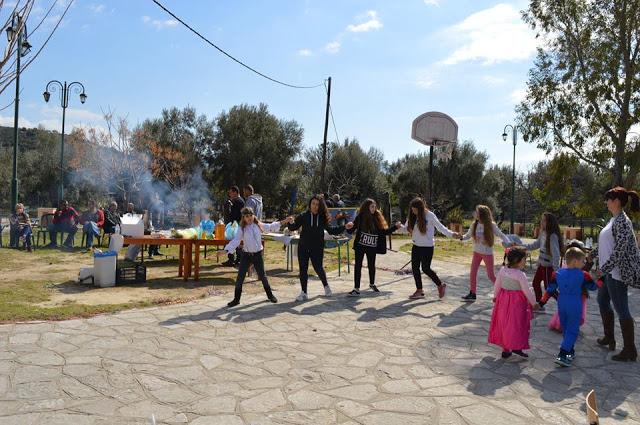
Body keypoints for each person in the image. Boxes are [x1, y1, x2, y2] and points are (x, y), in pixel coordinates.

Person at [588, 186, 640, 362]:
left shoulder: (623, 222)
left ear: (616, 201)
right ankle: (609, 337)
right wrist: (593, 254)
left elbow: (620, 250)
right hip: (610, 272)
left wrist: (605, 268)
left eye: (608, 199)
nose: (605, 202)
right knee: (602, 300)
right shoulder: (614, 220)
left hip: (617, 273)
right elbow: (606, 244)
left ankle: (630, 350)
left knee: (622, 309)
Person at [538, 247, 600, 366]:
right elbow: (593, 287)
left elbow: (550, 290)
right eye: (583, 261)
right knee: (572, 330)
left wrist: (541, 302)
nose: (583, 264)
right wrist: (601, 280)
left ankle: (569, 351)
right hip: (575, 303)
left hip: (562, 302)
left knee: (566, 328)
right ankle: (562, 354)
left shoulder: (557, 273)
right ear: (575, 261)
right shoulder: (584, 275)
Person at [287, 194, 353, 301]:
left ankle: (326, 286)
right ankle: (304, 292)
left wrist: (344, 227)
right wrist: (291, 222)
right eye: (313, 204)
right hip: (303, 246)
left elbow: (331, 230)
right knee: (303, 269)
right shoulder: (303, 216)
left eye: (317, 205)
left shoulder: (322, 218)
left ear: (320, 206)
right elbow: (293, 227)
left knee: (318, 268)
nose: (315, 206)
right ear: (310, 204)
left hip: (317, 247)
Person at [223, 207, 288, 307]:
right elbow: (236, 241)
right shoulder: (242, 228)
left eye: (250, 215)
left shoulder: (258, 225)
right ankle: (236, 299)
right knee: (240, 277)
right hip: (246, 255)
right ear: (243, 218)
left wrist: (285, 221)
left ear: (253, 216)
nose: (249, 218)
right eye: (247, 216)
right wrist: (225, 250)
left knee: (262, 275)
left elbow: (271, 226)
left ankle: (270, 295)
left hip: (257, 254)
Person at [400, 197, 459, 299]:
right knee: (415, 268)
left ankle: (440, 285)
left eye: (416, 210)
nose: (414, 212)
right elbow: (406, 229)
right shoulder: (412, 216)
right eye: (413, 210)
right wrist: (399, 227)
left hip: (427, 247)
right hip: (416, 246)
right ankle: (419, 290)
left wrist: (452, 234)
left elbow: (441, 228)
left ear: (421, 208)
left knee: (426, 268)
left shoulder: (430, 215)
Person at [488, 247, 539, 359]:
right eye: (524, 259)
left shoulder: (502, 270)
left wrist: (495, 296)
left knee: (506, 325)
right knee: (517, 325)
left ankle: (506, 349)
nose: (525, 261)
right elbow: (526, 290)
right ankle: (516, 346)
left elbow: (497, 284)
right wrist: (533, 303)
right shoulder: (520, 275)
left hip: (503, 301)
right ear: (517, 260)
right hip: (517, 304)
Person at [345, 198, 401, 296]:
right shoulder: (360, 217)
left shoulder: (377, 217)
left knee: (372, 265)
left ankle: (372, 283)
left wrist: (395, 227)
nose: (374, 208)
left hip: (372, 247)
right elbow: (352, 229)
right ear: (367, 207)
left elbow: (383, 232)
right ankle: (356, 288)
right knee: (358, 266)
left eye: (375, 206)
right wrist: (348, 227)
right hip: (360, 246)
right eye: (372, 206)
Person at [459, 205, 512, 301]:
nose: (476, 214)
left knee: (491, 276)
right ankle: (472, 293)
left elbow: (501, 234)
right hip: (477, 252)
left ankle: (504, 291)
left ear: (482, 214)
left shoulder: (491, 225)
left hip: (487, 253)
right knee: (472, 273)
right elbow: (467, 235)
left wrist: (508, 242)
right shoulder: (474, 224)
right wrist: (461, 237)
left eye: (478, 212)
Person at [524, 212, 564, 306]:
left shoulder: (552, 236)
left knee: (548, 288)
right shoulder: (543, 233)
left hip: (548, 266)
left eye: (544, 220)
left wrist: (555, 269)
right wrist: (522, 246)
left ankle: (563, 303)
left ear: (549, 222)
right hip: (541, 264)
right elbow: (535, 245)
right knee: (535, 283)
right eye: (541, 220)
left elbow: (556, 254)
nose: (542, 222)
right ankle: (539, 303)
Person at [222, 186, 245, 266]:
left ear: (235, 192)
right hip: (237, 225)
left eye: (231, 192)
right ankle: (238, 259)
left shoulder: (238, 202)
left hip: (236, 226)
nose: (230, 194)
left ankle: (233, 259)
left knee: (234, 242)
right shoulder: (238, 201)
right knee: (237, 243)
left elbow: (235, 215)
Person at [147, 193, 164, 259]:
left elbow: (162, 213)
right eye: (153, 197)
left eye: (156, 197)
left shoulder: (161, 203)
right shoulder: (150, 205)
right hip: (153, 222)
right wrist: (151, 225)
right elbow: (149, 216)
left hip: (159, 221)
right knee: (153, 238)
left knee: (158, 236)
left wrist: (162, 221)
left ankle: (156, 251)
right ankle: (150, 253)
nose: (155, 199)